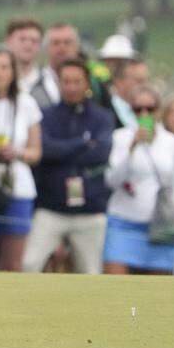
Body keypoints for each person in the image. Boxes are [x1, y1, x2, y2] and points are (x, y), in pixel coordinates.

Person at [23, 59, 113, 274]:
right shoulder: (45, 115)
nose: (71, 87)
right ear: (59, 83)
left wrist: (62, 150)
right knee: (29, 264)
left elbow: (101, 152)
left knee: (90, 273)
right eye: (66, 81)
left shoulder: (103, 117)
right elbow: (45, 149)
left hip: (91, 211)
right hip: (51, 208)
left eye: (77, 81)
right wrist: (82, 142)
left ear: (87, 84)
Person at [0, 48, 43, 271]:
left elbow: (36, 153)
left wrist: (17, 152)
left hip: (18, 184)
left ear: (13, 72)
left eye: (4, 67)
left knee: (12, 262)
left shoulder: (26, 102)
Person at [103, 85, 174, 275]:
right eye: (138, 109)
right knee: (114, 286)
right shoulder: (120, 137)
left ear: (158, 110)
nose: (144, 114)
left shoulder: (171, 142)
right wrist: (132, 149)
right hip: (123, 223)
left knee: (156, 289)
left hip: (159, 226)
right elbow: (111, 181)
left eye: (150, 108)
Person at [5, 18, 57, 109]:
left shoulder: (51, 81)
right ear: (8, 41)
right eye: (22, 39)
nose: (28, 45)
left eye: (34, 41)